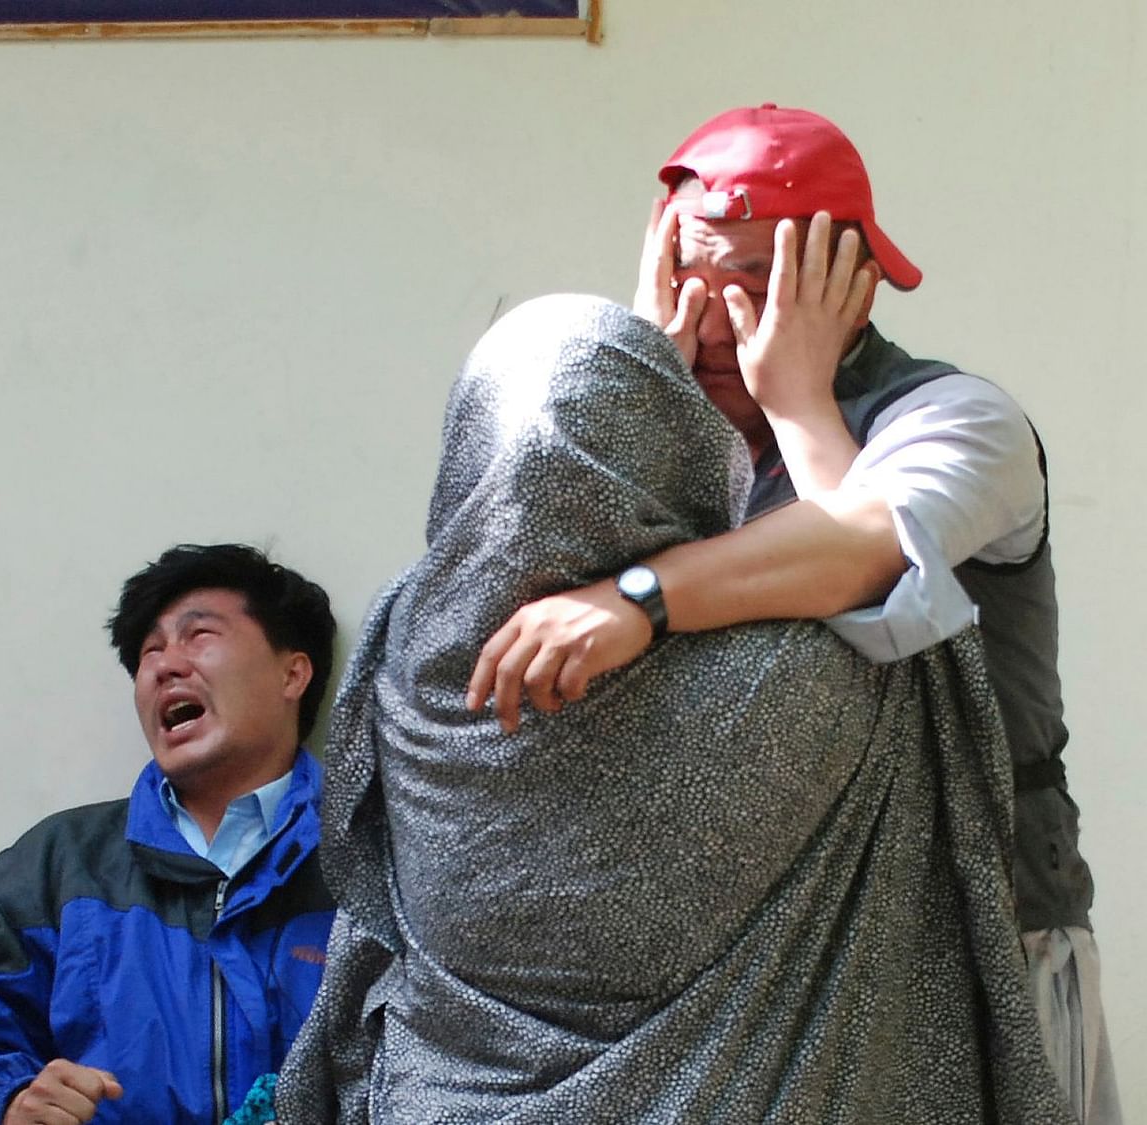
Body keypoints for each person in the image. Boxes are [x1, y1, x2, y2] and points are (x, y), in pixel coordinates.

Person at [465, 105, 1115, 1122]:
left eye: (760, 287)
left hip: (969, 916)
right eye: (689, 282)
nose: (719, 320)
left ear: (851, 285)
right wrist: (637, 386)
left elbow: (858, 567)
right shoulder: (649, 430)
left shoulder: (957, 421)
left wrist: (793, 409)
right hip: (733, 961)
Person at [276, 293, 1070, 1123]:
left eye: (756, 280)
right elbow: (886, 604)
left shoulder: (407, 648)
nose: (722, 316)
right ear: (663, 449)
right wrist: (797, 405)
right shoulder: (794, 675)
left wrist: (648, 370)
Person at [0, 543, 338, 1125]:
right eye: (150, 651)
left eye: (199, 636)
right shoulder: (57, 865)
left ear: (292, 672)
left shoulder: (375, 859)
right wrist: (8, 1103)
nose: (165, 665)